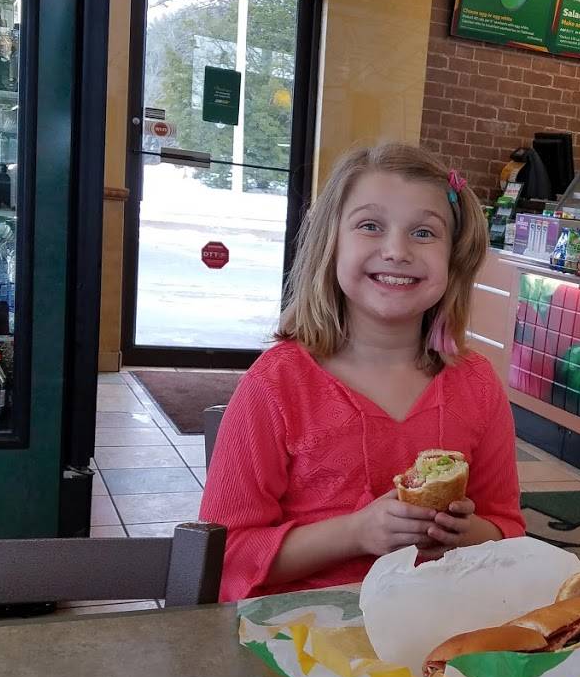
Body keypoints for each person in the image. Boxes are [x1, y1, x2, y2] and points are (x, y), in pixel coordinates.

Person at [200, 142, 525, 602]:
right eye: (370, 226)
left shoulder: (477, 385)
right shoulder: (276, 384)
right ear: (331, 244)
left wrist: (465, 532)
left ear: (454, 259)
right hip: (302, 628)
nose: (396, 251)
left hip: (439, 621)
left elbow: (506, 527)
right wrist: (356, 533)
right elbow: (227, 552)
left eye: (424, 233)